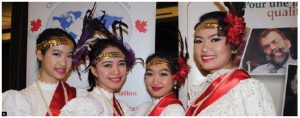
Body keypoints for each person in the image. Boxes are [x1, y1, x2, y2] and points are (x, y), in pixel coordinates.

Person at [185, 2, 276, 116]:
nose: (204, 48)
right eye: (198, 41)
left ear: (233, 44)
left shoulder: (248, 88)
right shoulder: (200, 90)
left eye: (215, 40)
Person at [2, 28, 88, 116]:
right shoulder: (21, 101)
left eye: (69, 56)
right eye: (57, 54)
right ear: (40, 55)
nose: (63, 63)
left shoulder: (80, 97)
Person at [135, 51, 190, 116]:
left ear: (175, 79)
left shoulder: (174, 110)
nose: (155, 82)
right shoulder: (145, 107)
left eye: (163, 74)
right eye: (150, 74)